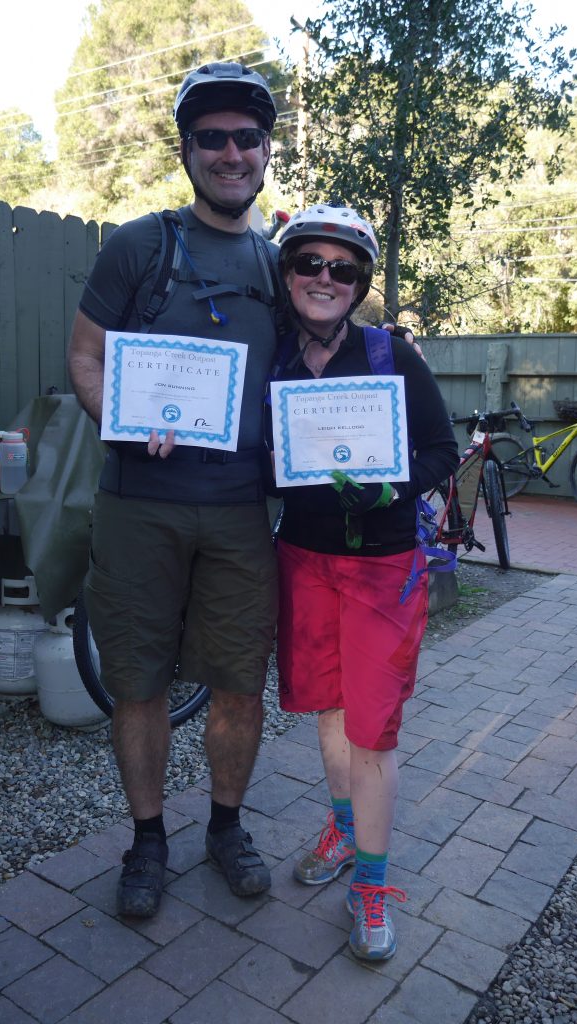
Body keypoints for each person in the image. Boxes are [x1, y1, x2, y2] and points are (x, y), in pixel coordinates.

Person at [67, 62, 284, 917]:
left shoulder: (279, 266)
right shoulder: (138, 246)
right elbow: (86, 358)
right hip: (138, 505)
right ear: (187, 150)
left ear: (266, 150)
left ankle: (225, 826)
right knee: (138, 680)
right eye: (213, 139)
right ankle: (147, 839)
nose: (232, 153)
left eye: (246, 138)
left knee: (237, 682)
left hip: (239, 511)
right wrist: (115, 419)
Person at [268, 205, 459, 960]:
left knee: (372, 731)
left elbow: (443, 449)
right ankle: (345, 834)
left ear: (359, 283)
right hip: (303, 561)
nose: (323, 278)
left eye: (340, 268)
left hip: (381, 569)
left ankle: (373, 885)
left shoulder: (390, 356)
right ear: (287, 277)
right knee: (326, 709)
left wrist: (394, 486)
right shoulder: (275, 359)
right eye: (308, 264)